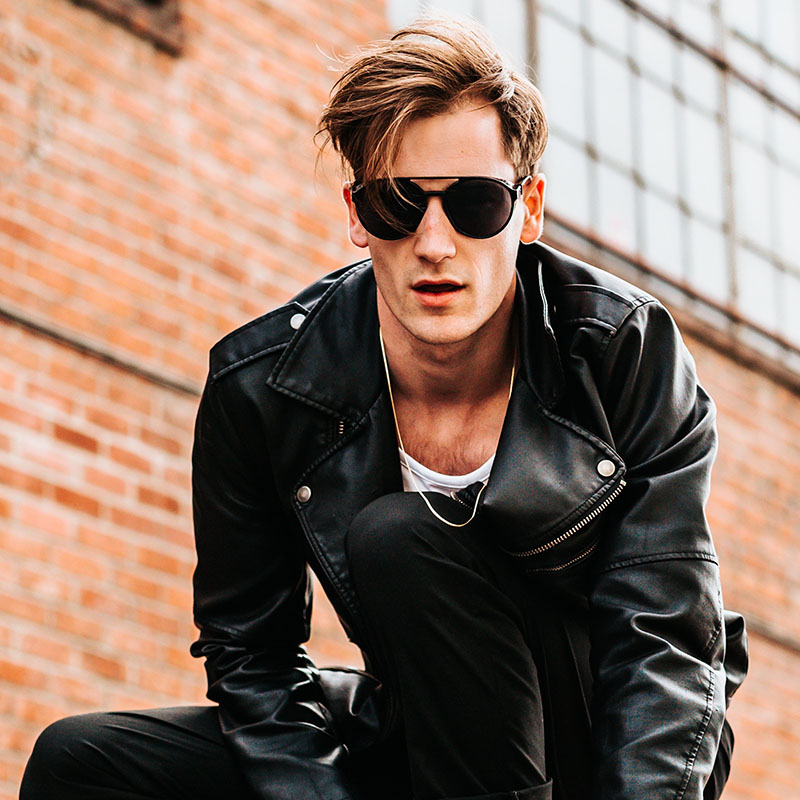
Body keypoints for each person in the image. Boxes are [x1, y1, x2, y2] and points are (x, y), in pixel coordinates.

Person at [20, 15, 747, 800]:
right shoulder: (263, 388)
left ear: (529, 209)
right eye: (397, 204)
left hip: (599, 738)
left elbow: (665, 636)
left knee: (401, 538)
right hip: (419, 729)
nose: (433, 243)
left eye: (474, 204)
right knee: (81, 763)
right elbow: (254, 659)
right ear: (356, 214)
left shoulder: (619, 352)